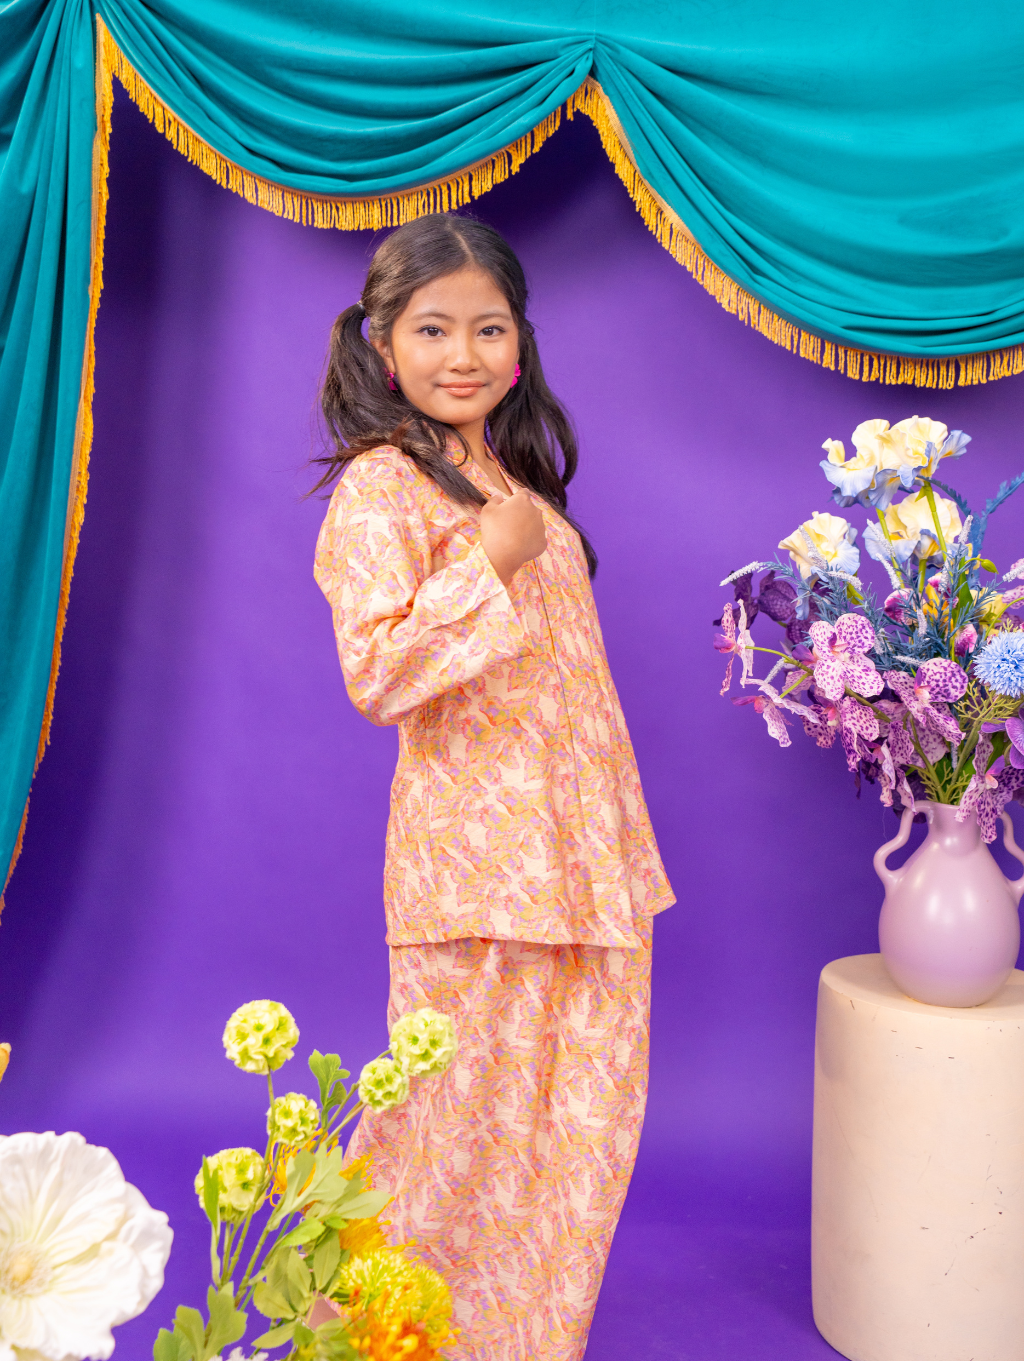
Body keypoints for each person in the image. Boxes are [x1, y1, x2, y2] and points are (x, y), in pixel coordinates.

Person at [313, 213, 674, 1361]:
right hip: (478, 874)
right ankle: (362, 1338)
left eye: (487, 327)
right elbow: (378, 670)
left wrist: (512, 535)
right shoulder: (380, 489)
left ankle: (518, 1343)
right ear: (383, 345)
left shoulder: (512, 480)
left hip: (590, 865)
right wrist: (488, 557)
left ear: (518, 347)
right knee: (441, 1134)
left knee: (576, 1134)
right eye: (432, 329)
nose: (461, 353)